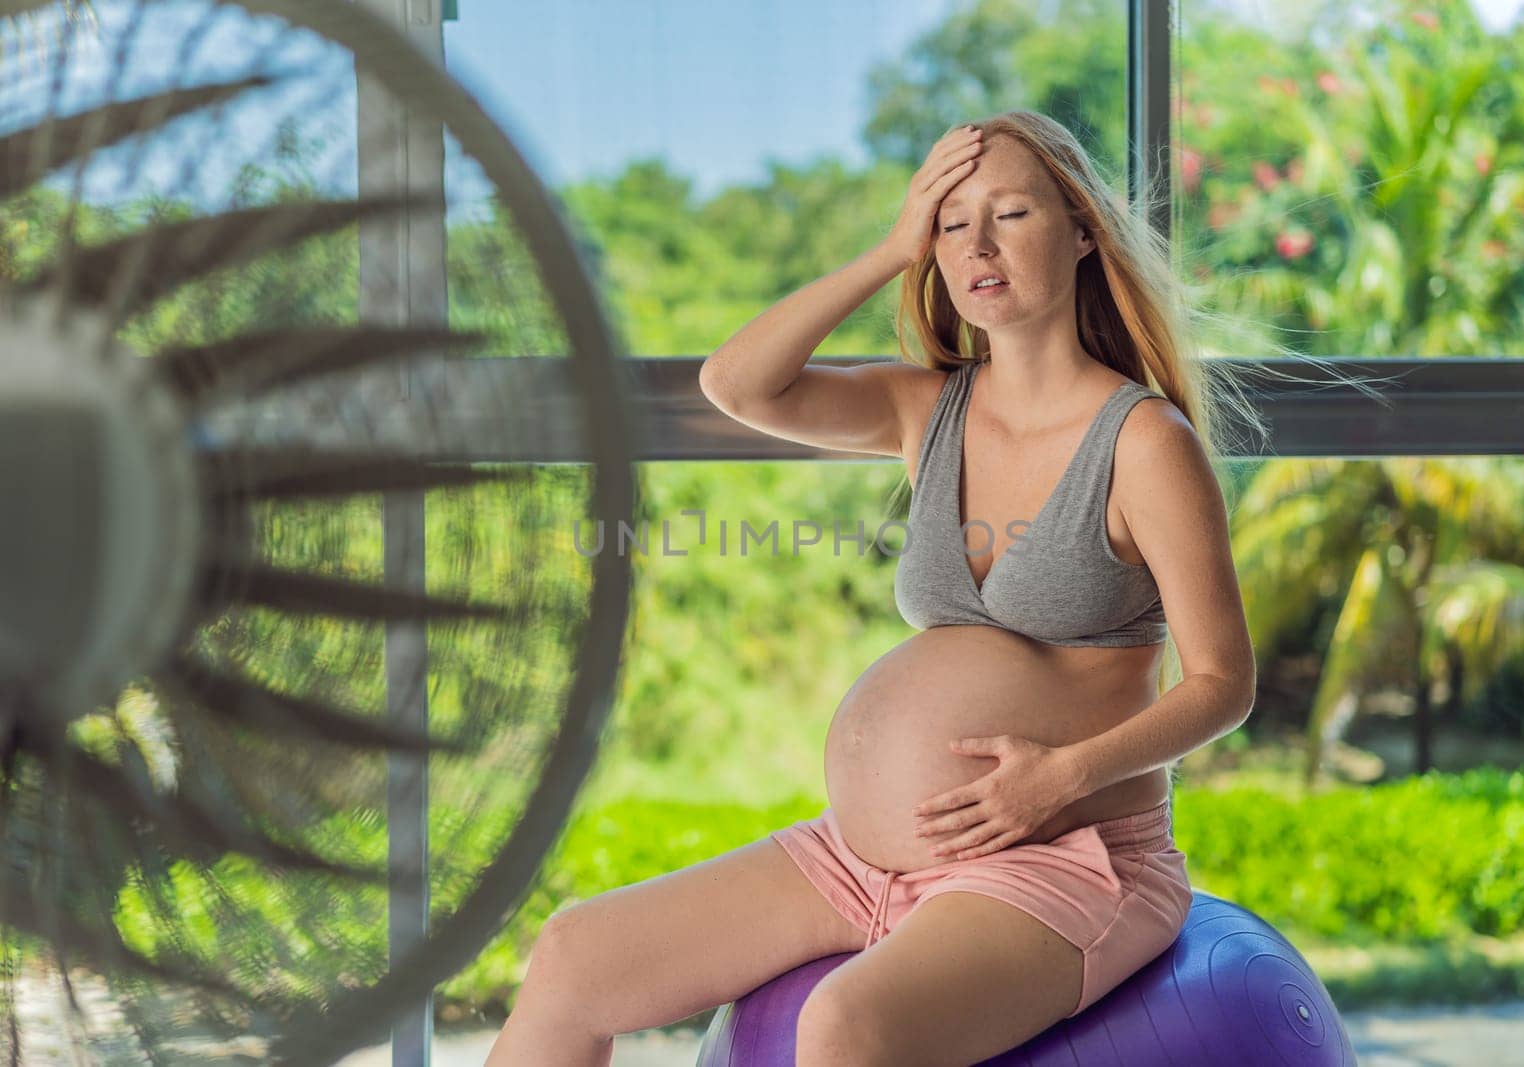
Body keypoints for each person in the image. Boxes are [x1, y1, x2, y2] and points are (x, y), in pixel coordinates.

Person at [485, 109, 1371, 1067]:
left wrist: (1060, 777)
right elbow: (737, 382)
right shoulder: (928, 405)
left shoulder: (1144, 443)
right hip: (860, 856)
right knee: (575, 957)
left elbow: (1221, 685)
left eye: (1011, 213)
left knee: (844, 1025)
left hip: (1062, 862)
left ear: (1083, 232)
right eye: (952, 222)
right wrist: (888, 250)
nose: (977, 245)